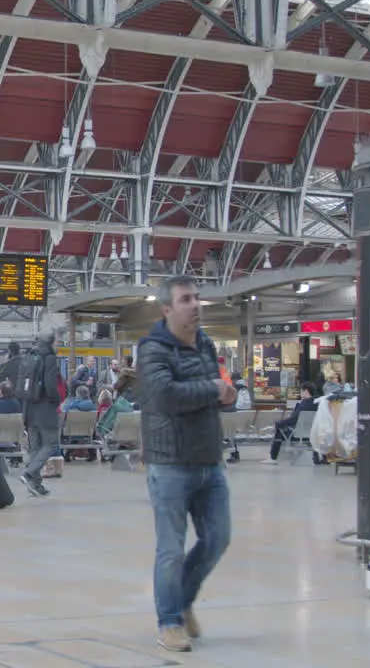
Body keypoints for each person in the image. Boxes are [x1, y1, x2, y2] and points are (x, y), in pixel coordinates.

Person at [137, 275, 235, 653]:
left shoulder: (206, 344)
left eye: (197, 298)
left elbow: (217, 385)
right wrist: (213, 390)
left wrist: (224, 394)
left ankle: (184, 598)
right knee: (171, 549)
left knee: (217, 539)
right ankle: (170, 622)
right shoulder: (152, 349)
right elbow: (164, 395)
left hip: (210, 459)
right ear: (167, 309)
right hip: (170, 463)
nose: (195, 305)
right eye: (185, 300)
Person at [18, 332, 62, 497]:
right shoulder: (49, 358)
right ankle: (29, 473)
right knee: (51, 443)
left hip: (29, 409)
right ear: (52, 342)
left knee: (35, 447)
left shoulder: (31, 355)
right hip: (45, 409)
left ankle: (35, 484)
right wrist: (56, 400)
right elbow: (50, 385)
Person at [261, 382, 319, 465]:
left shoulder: (303, 404)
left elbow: (292, 420)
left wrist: (279, 423)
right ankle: (316, 457)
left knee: (279, 428)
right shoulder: (317, 403)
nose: (300, 393)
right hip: (312, 434)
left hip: (296, 434)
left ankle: (273, 457)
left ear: (306, 391)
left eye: (301, 391)